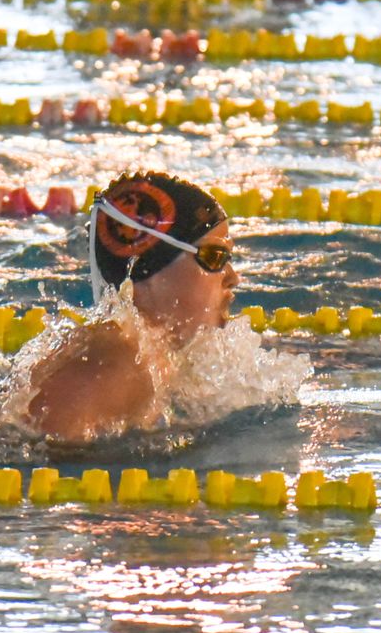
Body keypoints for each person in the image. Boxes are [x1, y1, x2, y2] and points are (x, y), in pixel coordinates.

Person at [21, 172, 240, 442]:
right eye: (215, 257)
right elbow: (43, 457)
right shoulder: (113, 368)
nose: (233, 278)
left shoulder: (148, 354)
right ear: (146, 268)